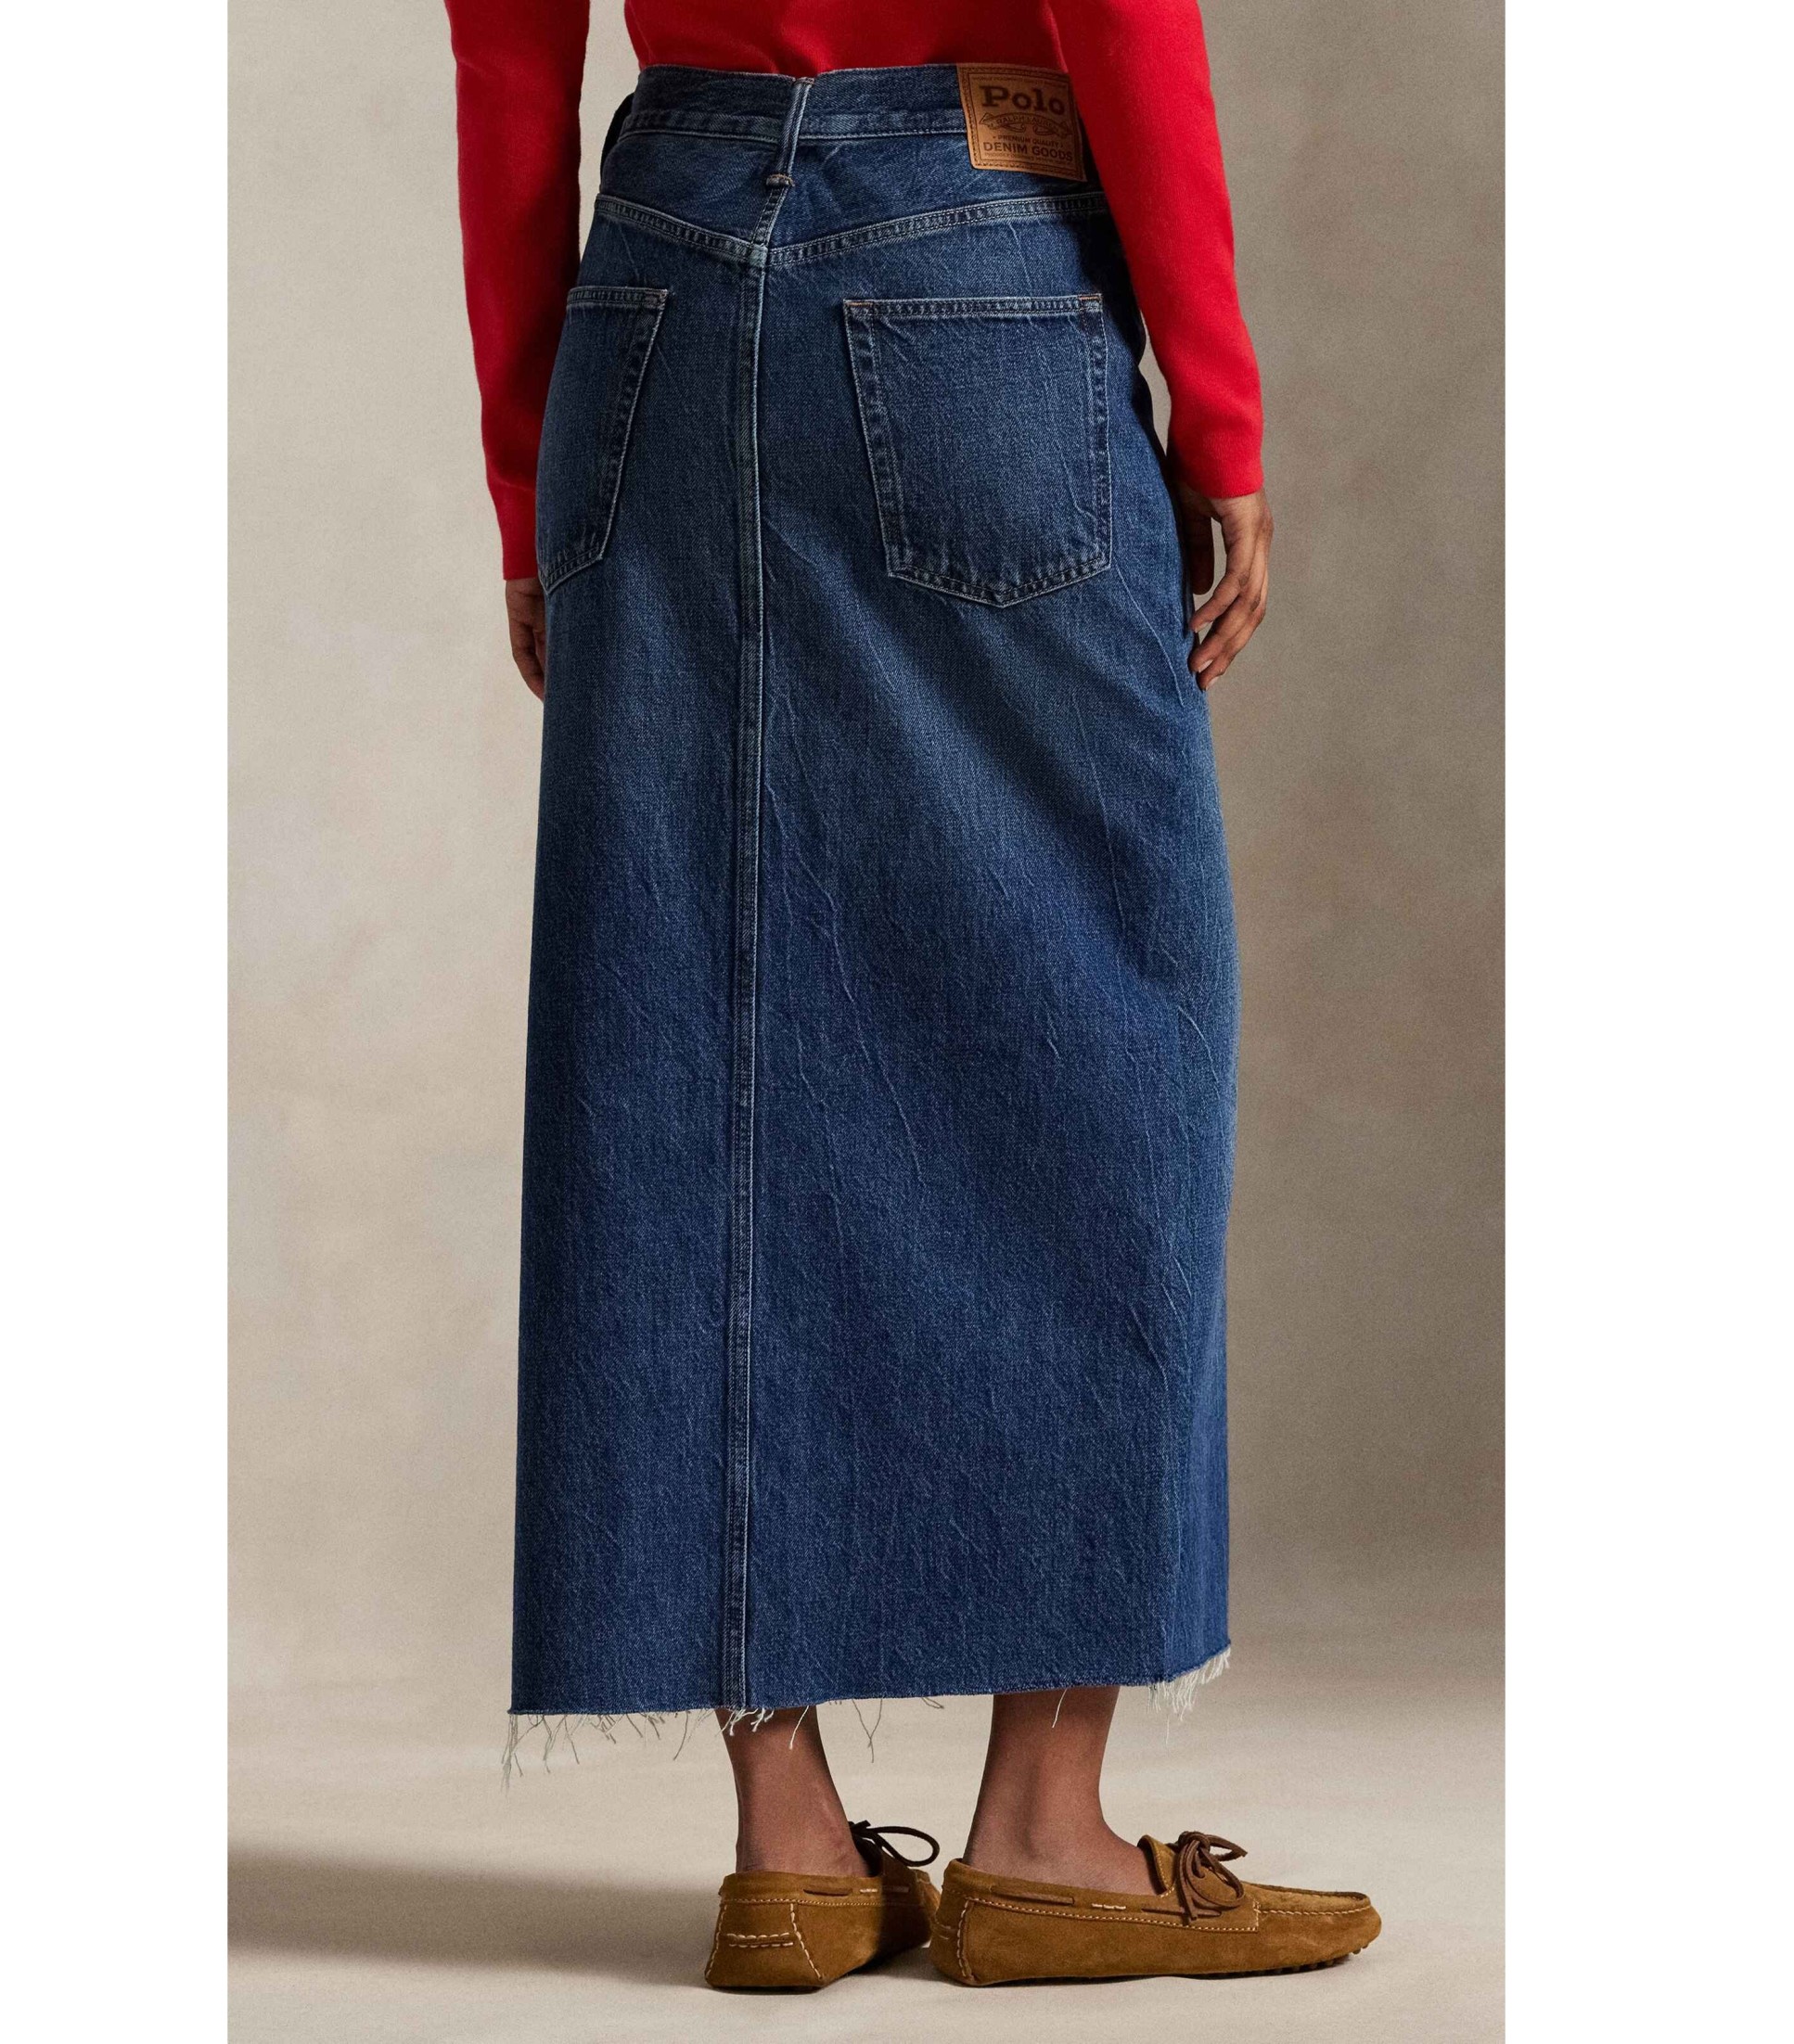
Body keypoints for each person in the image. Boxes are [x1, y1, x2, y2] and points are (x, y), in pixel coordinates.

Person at [443, 0, 1378, 1990]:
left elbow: (509, 65)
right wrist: (1218, 415)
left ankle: (785, 1846)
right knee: (1104, 1021)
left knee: (690, 1019)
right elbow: (1122, 17)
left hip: (656, 298)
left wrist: (531, 483)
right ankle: (1043, 1834)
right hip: (974, 268)